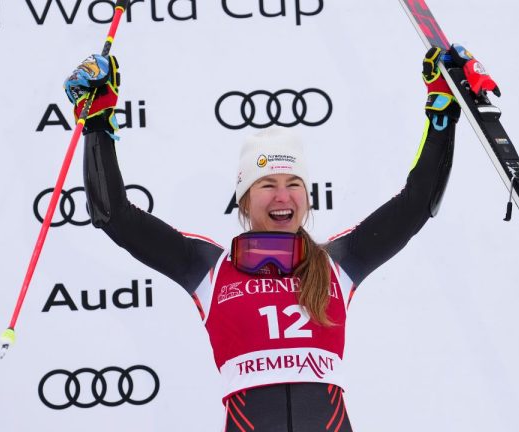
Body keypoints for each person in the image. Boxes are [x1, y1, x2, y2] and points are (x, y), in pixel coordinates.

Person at [64, 46, 461, 431]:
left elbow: (417, 203)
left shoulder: (339, 262)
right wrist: (97, 123)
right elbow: (113, 216)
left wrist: (441, 113)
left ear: (307, 197)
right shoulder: (208, 268)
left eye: (293, 184)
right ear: (244, 199)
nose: (282, 196)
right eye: (266, 185)